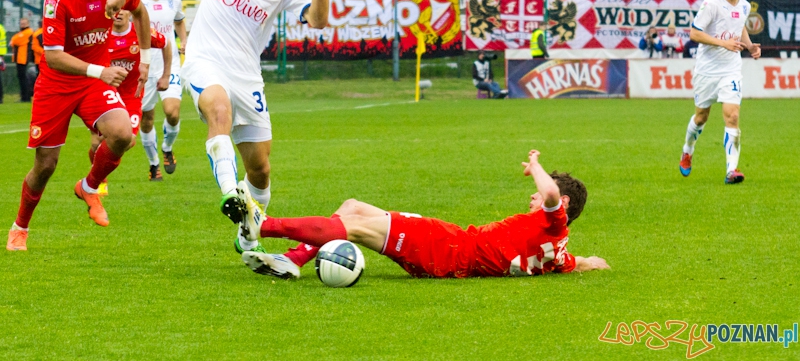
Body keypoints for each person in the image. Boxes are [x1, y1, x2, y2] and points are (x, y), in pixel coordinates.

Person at [104, 0, 330, 256]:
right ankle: (231, 194)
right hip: (204, 61)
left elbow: (316, 21)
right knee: (218, 110)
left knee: (260, 168)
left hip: (247, 76)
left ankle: (248, 232)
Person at [238, 149, 608, 280]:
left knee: (352, 227)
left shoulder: (553, 219)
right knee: (352, 206)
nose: (534, 196)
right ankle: (294, 259)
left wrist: (536, 165)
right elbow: (583, 262)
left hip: (447, 251)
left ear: (564, 206)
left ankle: (265, 226)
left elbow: (547, 193)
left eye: (545, 197)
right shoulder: (559, 252)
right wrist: (593, 262)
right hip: (449, 242)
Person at [6, 0, 152, 251]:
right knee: (45, 166)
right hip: (56, 85)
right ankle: (20, 227)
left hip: (92, 82)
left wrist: (146, 57)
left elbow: (140, 12)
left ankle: (89, 186)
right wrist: (101, 70)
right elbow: (55, 57)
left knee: (123, 134)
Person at [679, 0, 760, 185]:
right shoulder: (711, 4)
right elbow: (695, 33)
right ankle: (687, 150)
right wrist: (722, 42)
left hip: (730, 69)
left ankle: (731, 170)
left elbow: (739, 26)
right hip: (706, 70)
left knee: (732, 115)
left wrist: (750, 46)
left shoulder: (744, 5)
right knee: (701, 117)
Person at [88, 10, 171, 186]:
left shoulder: (141, 32)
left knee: (128, 141)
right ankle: (98, 181)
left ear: (130, 12)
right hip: (104, 94)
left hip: (131, 96)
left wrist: (166, 74)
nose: (119, 13)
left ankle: (99, 172)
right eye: (115, 9)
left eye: (123, 9)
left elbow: (166, 43)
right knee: (96, 144)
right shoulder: (101, 34)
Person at [136, 0, 187, 181]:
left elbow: (179, 22)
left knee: (172, 112)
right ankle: (153, 163)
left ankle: (167, 147)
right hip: (144, 65)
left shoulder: (173, 1)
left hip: (170, 63)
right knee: (146, 119)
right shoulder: (136, 1)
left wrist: (184, 39)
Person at [10, 17, 34, 102]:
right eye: (21, 23)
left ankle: (26, 97)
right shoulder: (23, 32)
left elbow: (15, 40)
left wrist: (13, 40)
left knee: (23, 78)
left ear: (28, 24)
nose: (22, 25)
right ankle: (24, 96)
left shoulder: (28, 32)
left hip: (23, 57)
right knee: (21, 77)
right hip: (19, 57)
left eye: (24, 23)